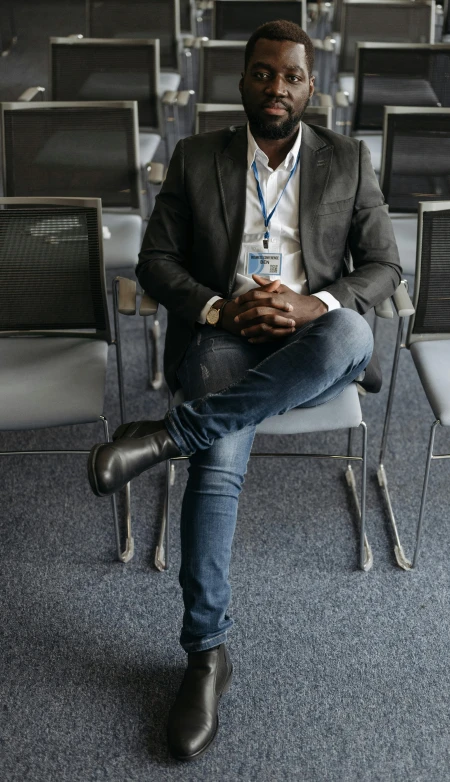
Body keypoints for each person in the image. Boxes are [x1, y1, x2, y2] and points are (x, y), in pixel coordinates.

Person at [87, 20, 401, 762]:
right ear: (242, 81)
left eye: (291, 76)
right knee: (218, 473)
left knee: (354, 334)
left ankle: (168, 435)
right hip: (226, 333)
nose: (277, 88)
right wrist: (220, 307)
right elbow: (155, 260)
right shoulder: (197, 158)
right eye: (263, 74)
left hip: (313, 336)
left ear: (309, 86)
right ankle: (206, 655)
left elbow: (385, 267)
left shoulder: (348, 160)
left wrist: (307, 305)